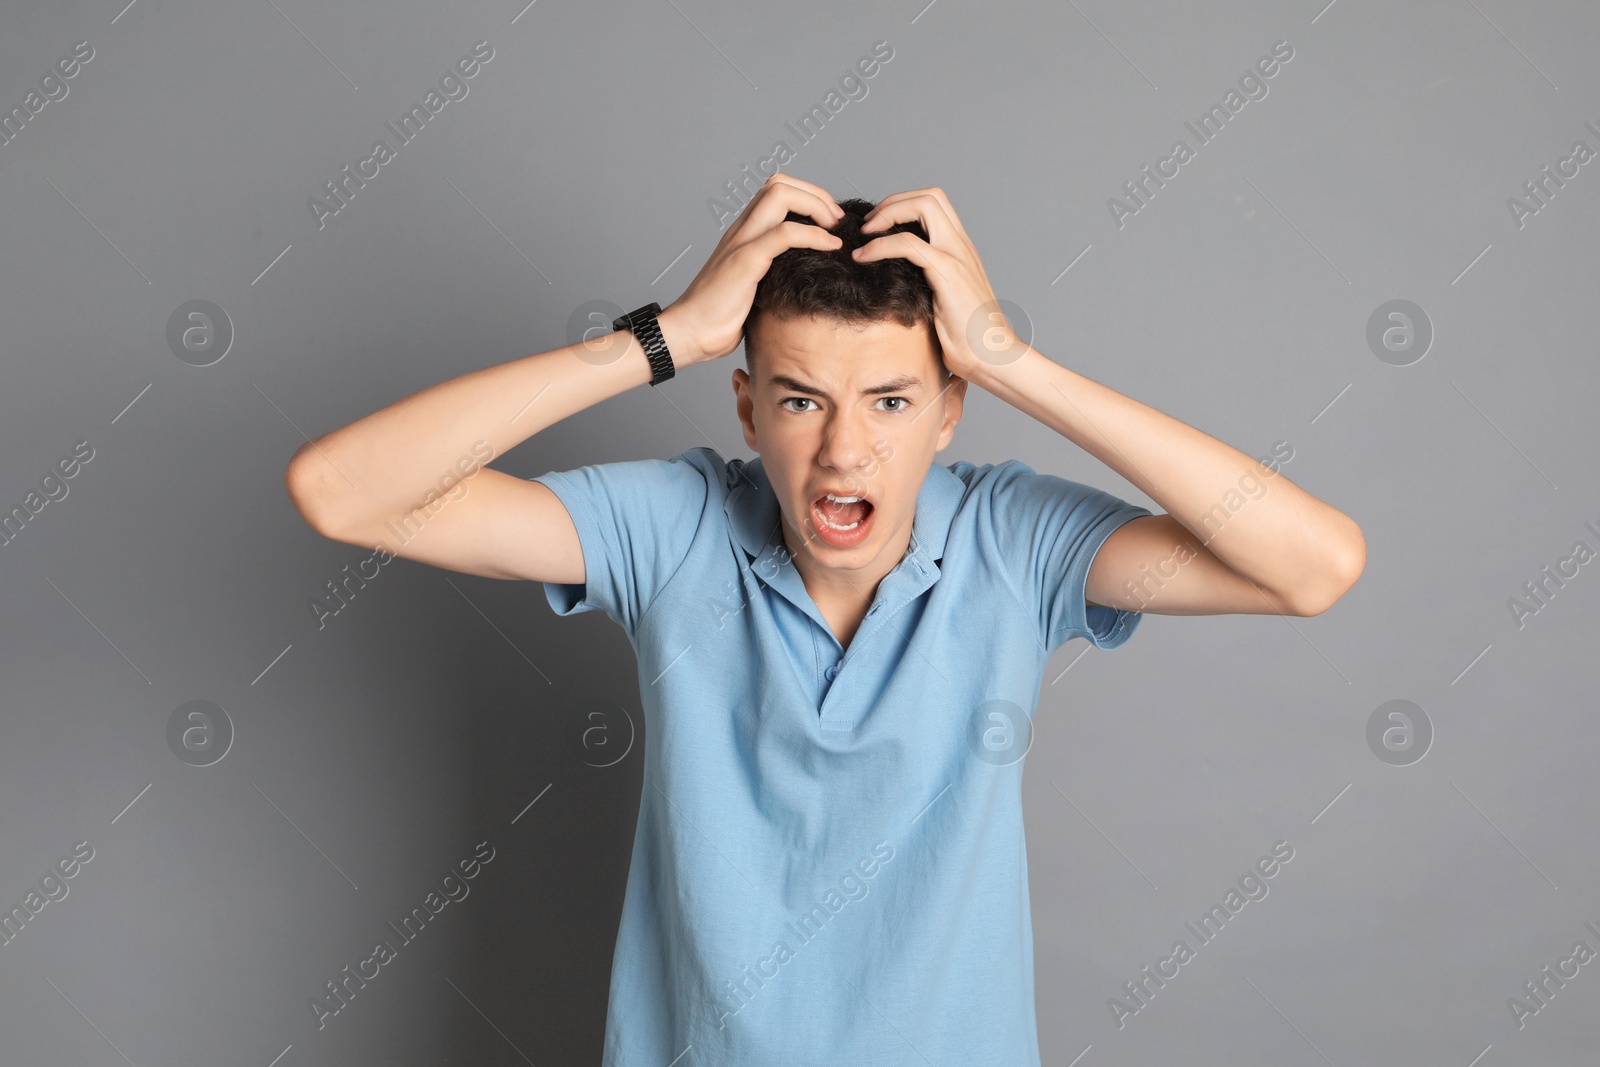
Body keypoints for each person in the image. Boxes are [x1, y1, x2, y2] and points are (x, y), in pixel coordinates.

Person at [284, 173, 1365, 1065]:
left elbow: (1311, 565)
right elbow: (345, 489)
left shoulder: (1011, 541)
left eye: (891, 401)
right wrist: (668, 335)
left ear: (949, 411)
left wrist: (1011, 360)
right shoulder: (675, 525)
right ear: (747, 404)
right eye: (801, 398)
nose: (844, 449)